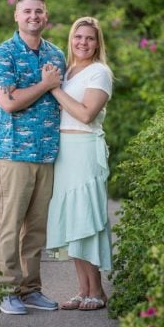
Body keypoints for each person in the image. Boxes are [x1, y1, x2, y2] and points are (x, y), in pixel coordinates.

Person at [0, 0, 65, 315]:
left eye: (39, 11)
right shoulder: (3, 54)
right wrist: (45, 86)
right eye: (27, 11)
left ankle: (31, 289)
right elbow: (9, 102)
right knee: (9, 223)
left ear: (46, 16)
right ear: (16, 17)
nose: (34, 16)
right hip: (13, 152)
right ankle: (5, 291)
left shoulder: (57, 56)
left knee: (35, 227)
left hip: (46, 153)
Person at [46, 17, 113, 311]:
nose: (83, 43)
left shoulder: (100, 72)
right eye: (78, 37)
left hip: (85, 149)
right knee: (72, 220)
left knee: (86, 217)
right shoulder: (70, 70)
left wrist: (55, 89)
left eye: (89, 38)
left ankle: (97, 291)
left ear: (97, 43)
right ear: (71, 39)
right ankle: (82, 290)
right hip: (64, 151)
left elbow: (86, 114)